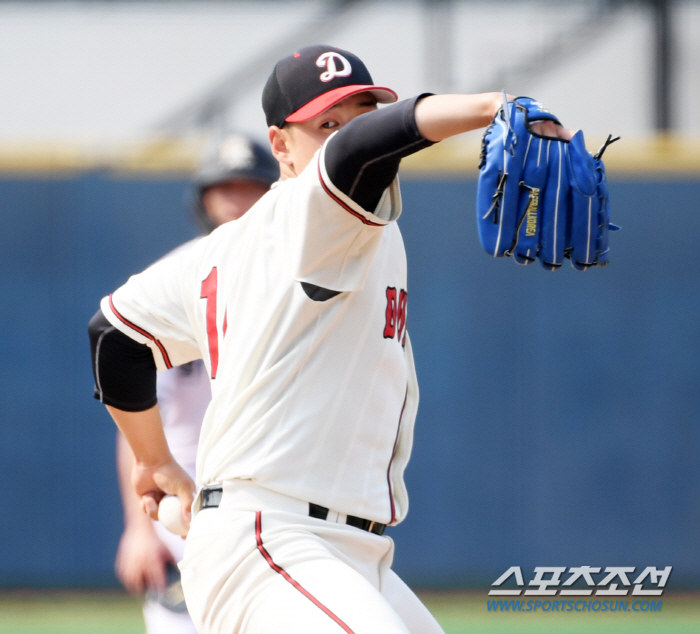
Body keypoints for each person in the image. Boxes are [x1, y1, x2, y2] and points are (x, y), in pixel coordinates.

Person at [89, 45, 573, 634]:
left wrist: (154, 461)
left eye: (362, 112)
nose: (347, 133)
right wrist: (494, 106)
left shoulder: (219, 251)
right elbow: (362, 150)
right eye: (326, 124)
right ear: (281, 146)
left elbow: (113, 337)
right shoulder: (310, 213)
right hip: (273, 541)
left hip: (339, 547)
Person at [112, 131, 277, 634]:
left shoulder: (296, 279)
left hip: (275, 506)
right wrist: (139, 529)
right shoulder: (172, 280)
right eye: (224, 186)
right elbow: (134, 419)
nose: (237, 199)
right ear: (202, 199)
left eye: (250, 186)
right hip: (185, 510)